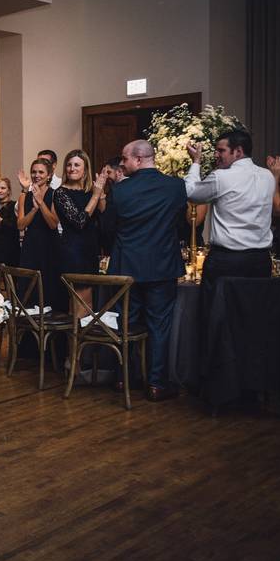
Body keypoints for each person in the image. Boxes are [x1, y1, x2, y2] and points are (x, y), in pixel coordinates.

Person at [105, 140, 186, 402]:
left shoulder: (120, 191)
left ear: (139, 159)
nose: (122, 163)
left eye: (125, 159)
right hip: (162, 266)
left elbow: (107, 230)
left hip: (127, 267)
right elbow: (182, 226)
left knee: (125, 323)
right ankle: (156, 384)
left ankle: (123, 378)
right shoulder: (176, 187)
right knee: (159, 327)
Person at [185, 131, 274, 301]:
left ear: (238, 151)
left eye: (221, 150)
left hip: (227, 260)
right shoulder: (268, 176)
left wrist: (196, 162)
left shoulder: (221, 177)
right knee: (254, 312)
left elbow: (191, 193)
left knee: (218, 314)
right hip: (261, 261)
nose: (216, 155)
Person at [53, 150, 106, 311]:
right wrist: (96, 196)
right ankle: (77, 336)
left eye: (77, 165)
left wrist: (101, 192)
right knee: (80, 302)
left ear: (85, 169)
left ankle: (83, 334)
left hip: (90, 249)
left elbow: (102, 213)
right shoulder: (61, 193)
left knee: (89, 301)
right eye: (69, 165)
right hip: (73, 251)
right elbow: (79, 221)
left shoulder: (90, 191)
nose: (72, 168)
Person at [16, 159, 58, 305]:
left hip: (50, 244)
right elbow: (20, 225)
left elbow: (53, 224)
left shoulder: (55, 194)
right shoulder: (24, 196)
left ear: (49, 175)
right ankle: (28, 324)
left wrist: (40, 202)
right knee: (28, 286)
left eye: (41, 172)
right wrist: (34, 209)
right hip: (30, 244)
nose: (36, 175)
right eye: (34, 172)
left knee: (49, 285)